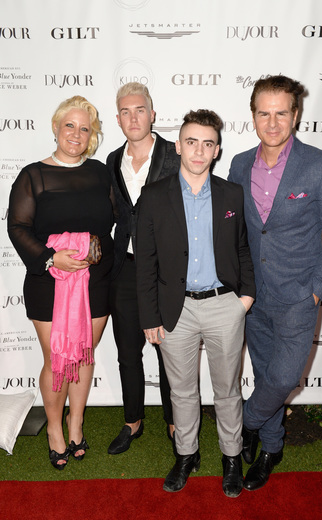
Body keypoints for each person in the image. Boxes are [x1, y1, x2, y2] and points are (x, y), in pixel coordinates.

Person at [228, 75, 322, 491]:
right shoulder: (239, 164)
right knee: (265, 374)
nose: (273, 122)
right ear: (253, 116)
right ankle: (270, 447)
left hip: (299, 295)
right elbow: (240, 231)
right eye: (265, 113)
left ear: (295, 115)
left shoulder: (320, 165)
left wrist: (317, 289)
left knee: (282, 378)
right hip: (252, 295)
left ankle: (245, 422)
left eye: (282, 112)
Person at [136, 109, 256, 497]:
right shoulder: (153, 196)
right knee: (182, 391)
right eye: (192, 142)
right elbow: (146, 262)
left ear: (217, 149)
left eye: (207, 143)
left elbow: (242, 248)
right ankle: (186, 455)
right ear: (178, 145)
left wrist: (245, 298)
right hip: (176, 309)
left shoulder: (230, 194)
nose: (199, 150)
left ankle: (232, 457)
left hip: (225, 305)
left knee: (228, 389)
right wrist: (150, 316)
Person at [8, 96, 116, 470]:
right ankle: (54, 429)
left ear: (92, 135)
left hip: (96, 280)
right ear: (55, 127)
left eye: (84, 128)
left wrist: (95, 250)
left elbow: (116, 224)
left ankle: (76, 424)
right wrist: (54, 258)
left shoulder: (102, 173)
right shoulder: (33, 175)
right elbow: (17, 227)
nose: (76, 133)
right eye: (69, 125)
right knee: (58, 359)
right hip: (47, 281)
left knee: (83, 353)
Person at [106, 82, 180, 455]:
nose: (133, 117)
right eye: (125, 111)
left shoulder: (176, 155)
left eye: (139, 110)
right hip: (125, 269)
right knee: (126, 352)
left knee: (169, 353)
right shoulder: (111, 160)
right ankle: (132, 421)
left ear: (152, 114)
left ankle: (175, 424)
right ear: (117, 118)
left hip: (165, 273)